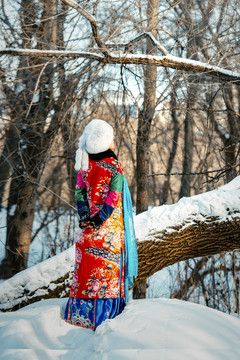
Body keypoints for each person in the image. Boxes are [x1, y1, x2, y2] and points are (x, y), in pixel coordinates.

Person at [64, 119, 138, 330]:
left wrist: (86, 216)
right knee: (105, 276)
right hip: (108, 231)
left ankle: (80, 318)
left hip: (86, 230)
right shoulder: (113, 166)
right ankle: (105, 320)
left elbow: (79, 193)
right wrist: (99, 219)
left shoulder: (84, 164)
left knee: (85, 274)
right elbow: (114, 197)